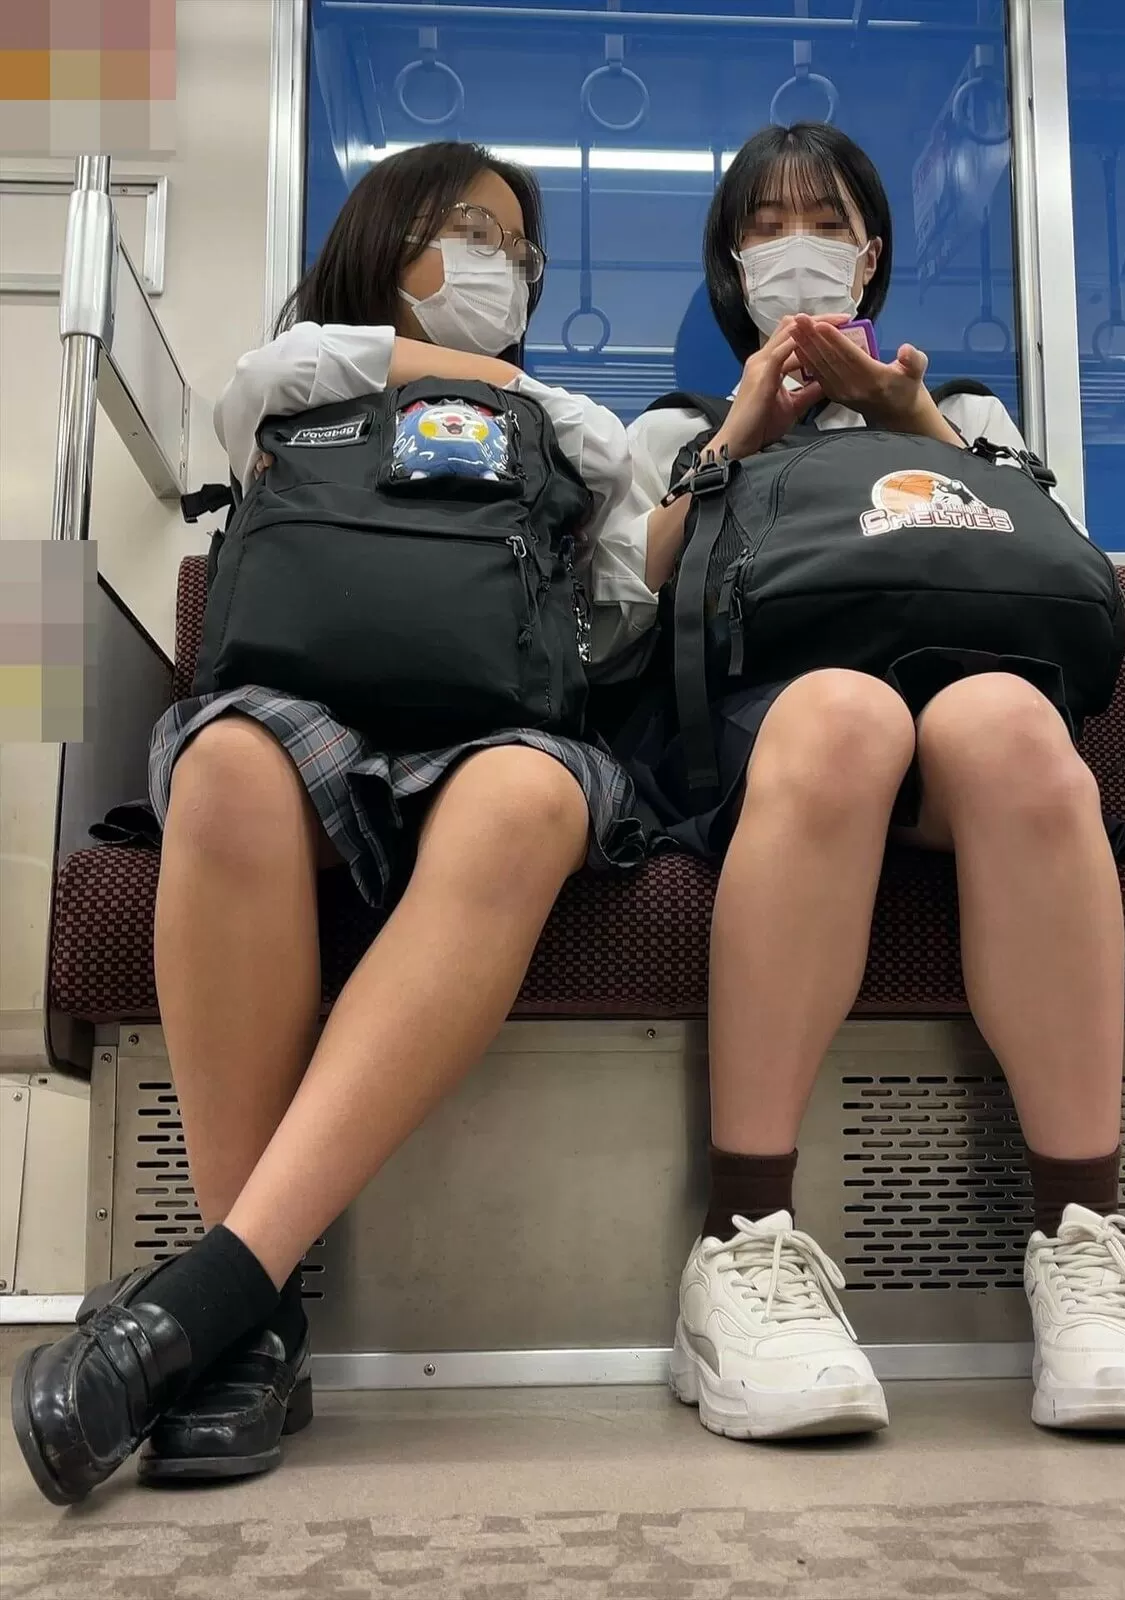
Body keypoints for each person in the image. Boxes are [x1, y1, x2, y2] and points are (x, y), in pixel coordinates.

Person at [10, 141, 651, 1505]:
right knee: (227, 766)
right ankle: (247, 1316)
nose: (498, 264)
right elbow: (257, 392)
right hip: (299, 708)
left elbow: (626, 608)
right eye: (468, 230)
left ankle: (219, 1309)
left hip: (505, 729)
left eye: (517, 250)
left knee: (524, 796)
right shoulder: (307, 372)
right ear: (384, 239)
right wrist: (478, 384)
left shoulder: (579, 429)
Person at [608, 122, 1125, 1442]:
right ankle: (743, 1240)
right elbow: (617, 610)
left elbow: (1069, 571)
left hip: (969, 714)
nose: (798, 246)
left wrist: (912, 424)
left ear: (870, 254)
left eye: (826, 221)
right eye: (767, 225)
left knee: (1009, 723)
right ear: (732, 261)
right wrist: (740, 437)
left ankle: (1084, 1242)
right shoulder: (676, 429)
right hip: (775, 726)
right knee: (845, 714)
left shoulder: (968, 411)